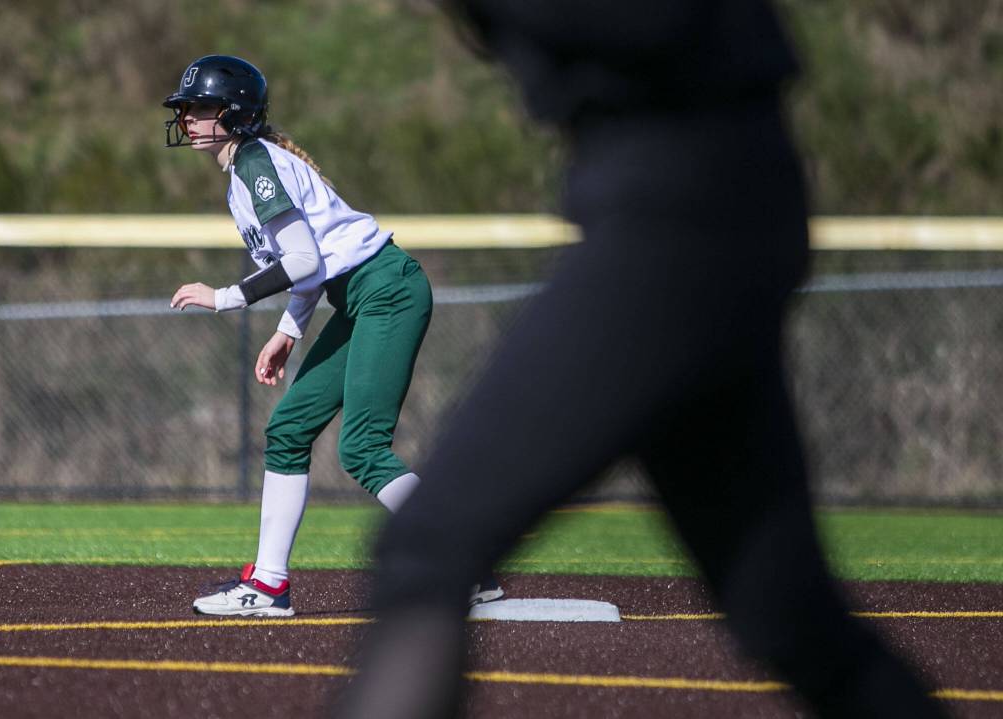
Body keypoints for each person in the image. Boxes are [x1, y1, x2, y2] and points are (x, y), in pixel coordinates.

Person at [332, 2, 949, 718]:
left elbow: (652, 24)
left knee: (427, 551)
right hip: (699, 193)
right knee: (789, 618)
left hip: (681, 206)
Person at [163, 54, 503, 617]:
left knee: (362, 448)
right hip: (361, 295)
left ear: (237, 111)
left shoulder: (253, 163)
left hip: (386, 289)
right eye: (187, 109)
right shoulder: (246, 169)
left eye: (201, 107)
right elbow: (309, 265)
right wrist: (287, 331)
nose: (189, 118)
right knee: (289, 428)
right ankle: (269, 586)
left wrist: (224, 296)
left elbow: (301, 259)